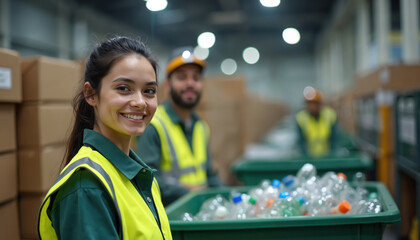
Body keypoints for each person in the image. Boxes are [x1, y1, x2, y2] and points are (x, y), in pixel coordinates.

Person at [38, 37, 172, 239]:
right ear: (91, 94)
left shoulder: (142, 177)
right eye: (123, 88)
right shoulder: (87, 187)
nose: (140, 102)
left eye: (149, 91)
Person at [136, 47, 224, 206]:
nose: (190, 83)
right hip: (171, 216)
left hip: (200, 210)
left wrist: (230, 197)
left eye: (196, 78)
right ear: (168, 85)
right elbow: (147, 181)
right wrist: (190, 193)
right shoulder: (153, 125)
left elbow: (210, 176)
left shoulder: (201, 127)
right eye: (182, 77)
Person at [295, 86, 338, 158]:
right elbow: (300, 142)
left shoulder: (330, 115)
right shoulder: (301, 118)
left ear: (319, 103)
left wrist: (332, 156)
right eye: (309, 103)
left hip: (327, 156)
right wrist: (305, 157)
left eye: (314, 103)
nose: (312, 106)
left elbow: (334, 139)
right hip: (309, 157)